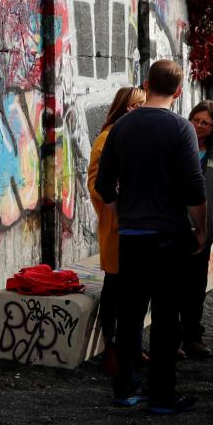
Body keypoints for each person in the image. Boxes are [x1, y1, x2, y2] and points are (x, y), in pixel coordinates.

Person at [93, 60, 208, 415]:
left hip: (132, 235)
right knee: (166, 315)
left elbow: (102, 183)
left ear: (146, 83)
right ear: (179, 90)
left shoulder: (121, 127)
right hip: (169, 235)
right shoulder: (180, 128)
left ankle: (126, 388)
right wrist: (201, 228)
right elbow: (193, 186)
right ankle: (161, 394)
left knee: (129, 315)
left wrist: (117, 212)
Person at [87, 86, 147, 379]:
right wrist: (118, 202)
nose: (140, 112)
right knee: (115, 287)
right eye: (136, 106)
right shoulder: (108, 137)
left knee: (131, 292)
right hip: (117, 225)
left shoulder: (133, 135)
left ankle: (128, 348)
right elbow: (97, 183)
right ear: (124, 107)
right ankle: (112, 349)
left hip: (131, 225)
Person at [181, 100, 213, 359]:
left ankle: (192, 336)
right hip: (176, 227)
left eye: (205, 123)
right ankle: (174, 337)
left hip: (204, 230)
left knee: (196, 284)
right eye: (195, 120)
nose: (198, 126)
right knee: (173, 284)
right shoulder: (178, 147)